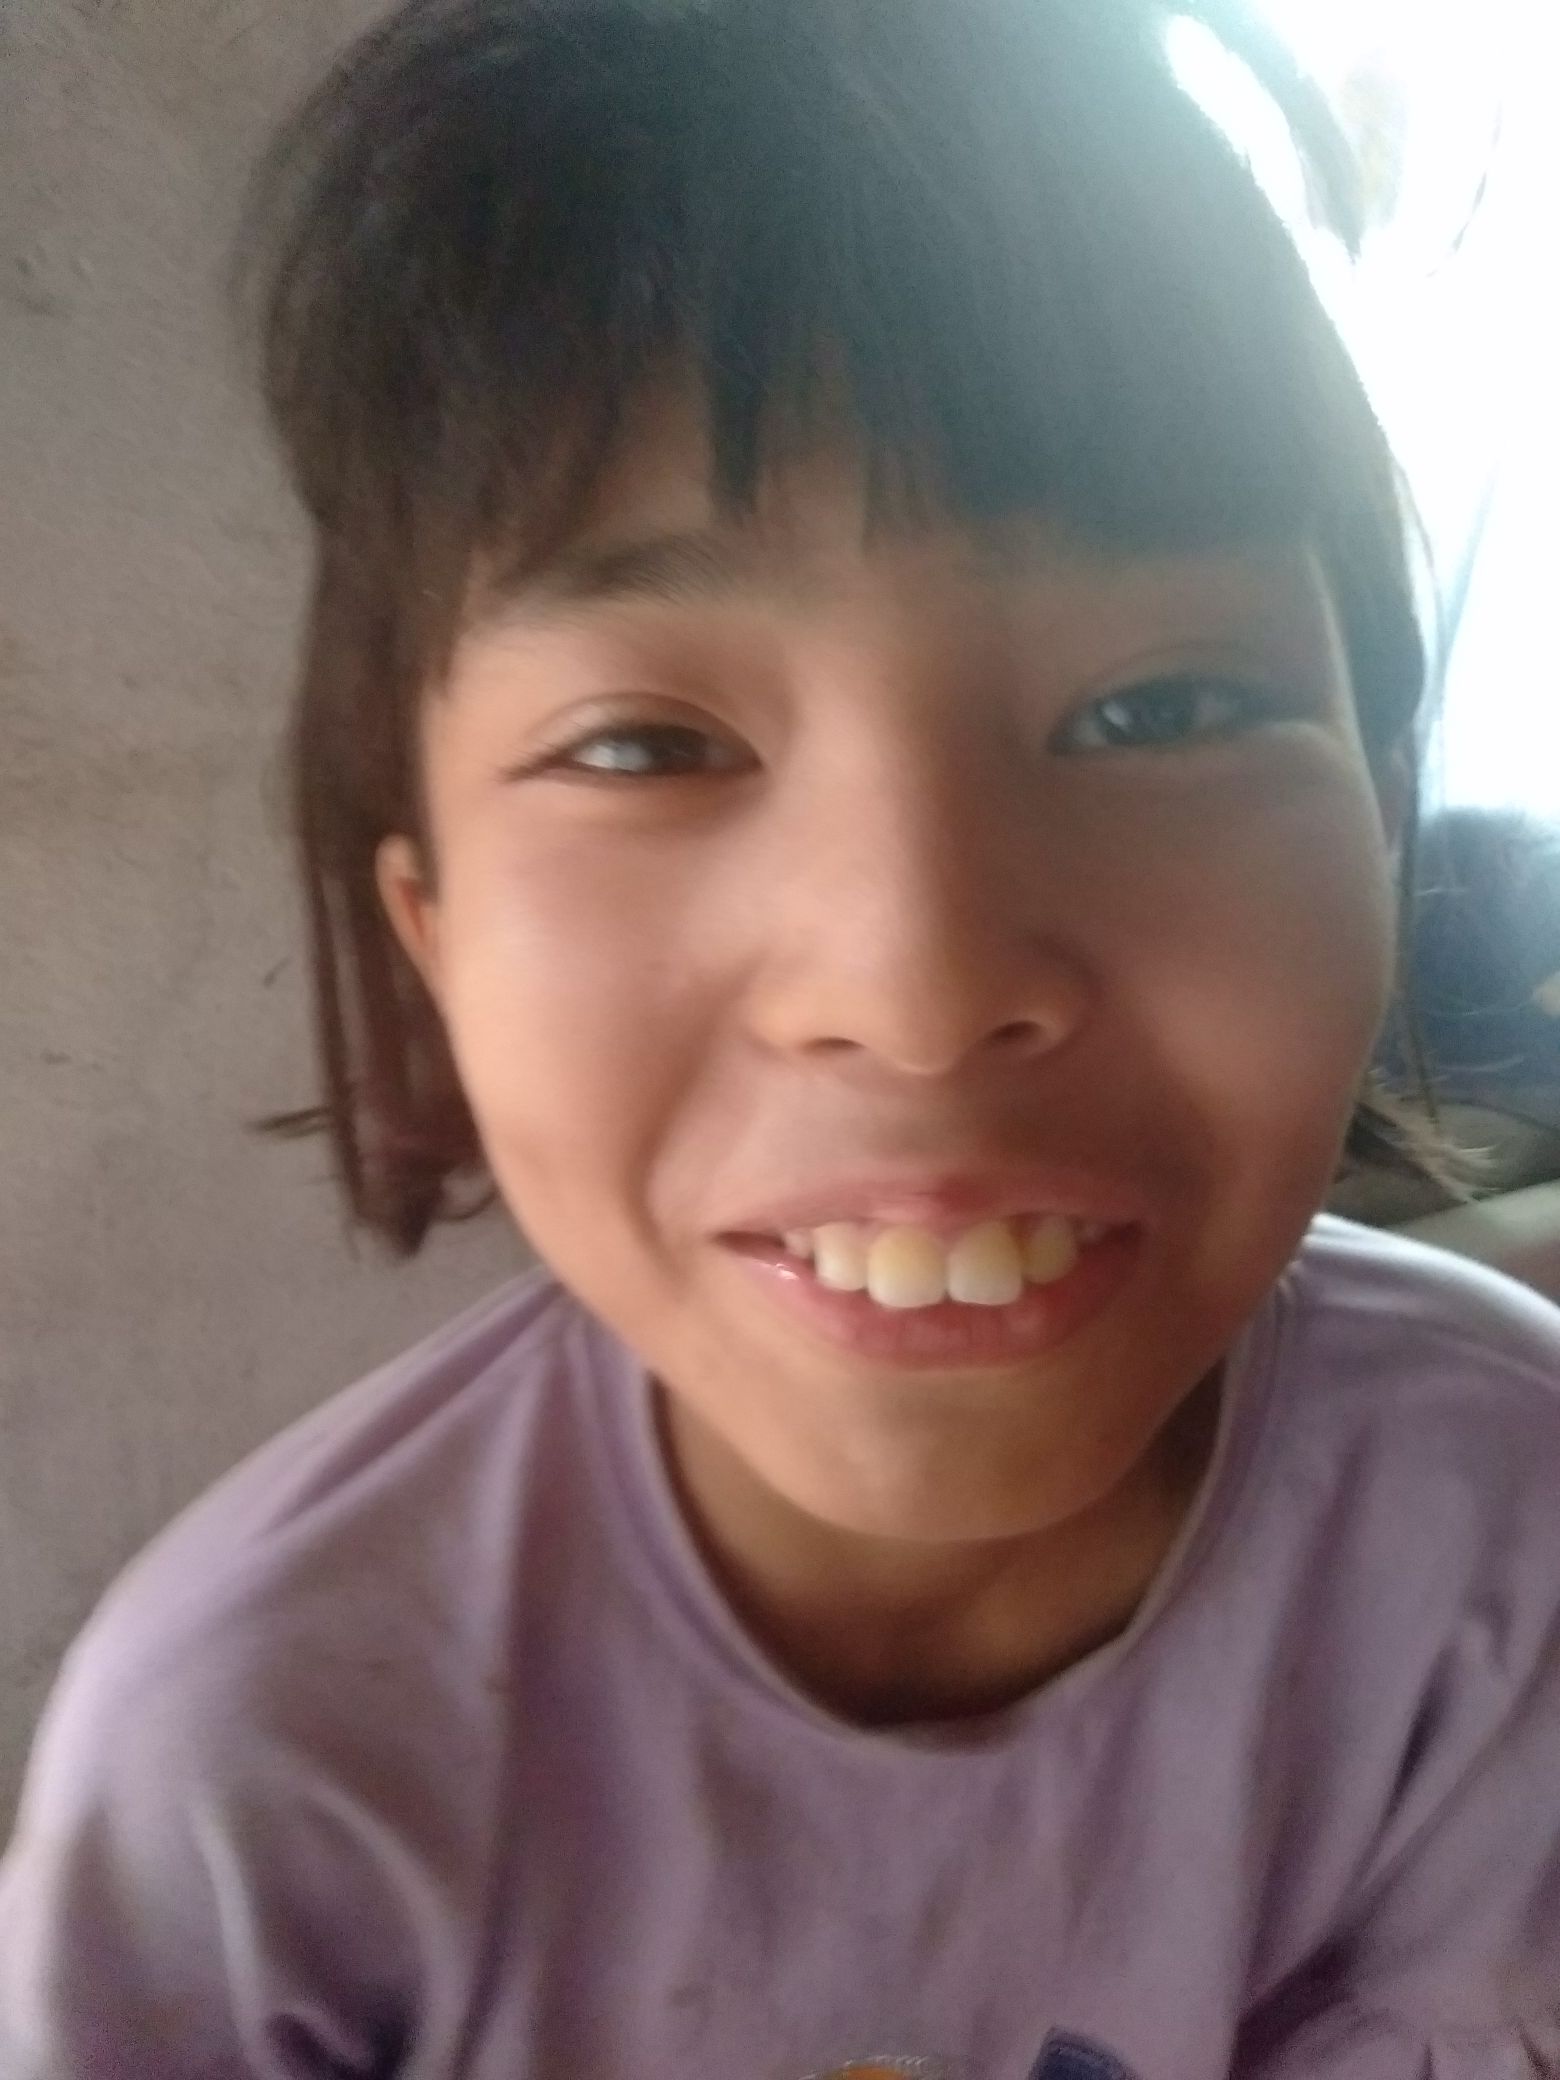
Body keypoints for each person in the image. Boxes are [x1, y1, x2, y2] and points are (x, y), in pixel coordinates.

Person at [2, 0, 1557, 2073]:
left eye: (1161, 706)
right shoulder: (252, 1780)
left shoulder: (1505, 1531)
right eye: (647, 744)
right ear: (432, 931)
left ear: (1383, 820)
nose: (917, 987)